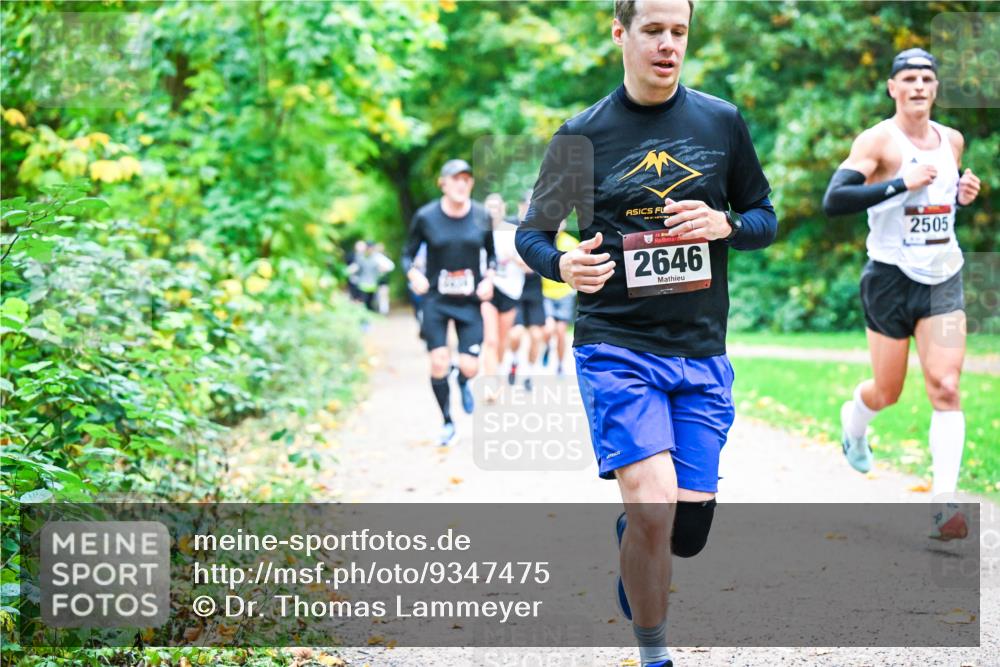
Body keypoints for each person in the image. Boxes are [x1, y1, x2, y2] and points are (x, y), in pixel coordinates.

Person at [514, 1, 778, 665]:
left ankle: (640, 538)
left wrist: (728, 226)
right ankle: (654, 652)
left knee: (682, 532)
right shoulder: (582, 134)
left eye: (679, 32)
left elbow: (764, 215)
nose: (668, 45)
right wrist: (563, 263)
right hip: (615, 345)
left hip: (699, 350)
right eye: (653, 30)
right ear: (621, 34)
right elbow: (532, 234)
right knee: (655, 508)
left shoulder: (720, 122)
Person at [822, 48, 981, 541]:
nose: (918, 86)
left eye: (927, 79)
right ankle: (855, 423)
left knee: (946, 386)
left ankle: (945, 506)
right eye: (908, 78)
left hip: (943, 277)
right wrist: (897, 185)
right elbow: (835, 200)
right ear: (892, 88)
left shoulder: (951, 140)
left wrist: (961, 194)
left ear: (936, 88)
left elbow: (937, 201)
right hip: (890, 279)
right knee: (886, 391)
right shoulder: (879, 142)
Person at [402, 159, 495, 446]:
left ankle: (463, 380)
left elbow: (491, 256)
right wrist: (413, 274)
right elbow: (407, 254)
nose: (461, 184)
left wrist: (489, 278)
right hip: (436, 301)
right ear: (442, 183)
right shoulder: (426, 217)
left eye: (467, 179)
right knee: (439, 362)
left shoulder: (481, 215)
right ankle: (447, 422)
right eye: (455, 179)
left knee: (469, 366)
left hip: (468, 303)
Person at [481, 193, 526, 396]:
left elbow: (529, 267)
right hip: (489, 290)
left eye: (496, 207)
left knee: (501, 340)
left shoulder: (513, 233)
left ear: (502, 209)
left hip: (510, 291)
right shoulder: (478, 233)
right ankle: (491, 385)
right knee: (490, 340)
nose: (492, 211)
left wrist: (514, 259)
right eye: (489, 207)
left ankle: (498, 371)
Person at [507, 190, 547, 391]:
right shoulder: (508, 227)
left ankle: (530, 374)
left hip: (534, 290)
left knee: (537, 336)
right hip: (514, 289)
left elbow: (547, 260)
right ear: (521, 206)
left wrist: (524, 262)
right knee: (515, 334)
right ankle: (513, 361)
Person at [541, 221, 580, 376]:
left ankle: (559, 364)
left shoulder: (571, 242)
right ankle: (546, 347)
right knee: (548, 329)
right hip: (545, 293)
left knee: (560, 331)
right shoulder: (543, 240)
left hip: (564, 293)